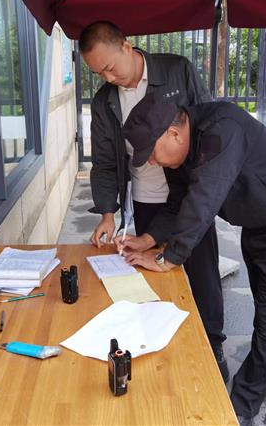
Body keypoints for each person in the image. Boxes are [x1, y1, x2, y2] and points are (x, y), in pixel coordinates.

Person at [120, 92, 266, 422]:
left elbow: (203, 202)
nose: (152, 163)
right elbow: (179, 204)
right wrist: (148, 239)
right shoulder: (181, 152)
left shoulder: (222, 130)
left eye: (151, 154)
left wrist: (168, 258)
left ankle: (238, 408)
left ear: (173, 133)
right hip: (258, 223)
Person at [79, 22, 228, 380]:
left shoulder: (176, 70)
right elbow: (105, 161)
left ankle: (213, 345)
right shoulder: (104, 101)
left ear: (127, 46)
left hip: (190, 192)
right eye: (99, 73)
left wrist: (206, 183)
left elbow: (206, 123)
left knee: (202, 272)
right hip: (148, 197)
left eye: (110, 67)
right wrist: (107, 213)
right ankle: (164, 347)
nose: (108, 78)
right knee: (155, 276)